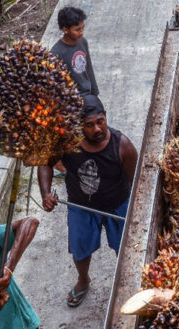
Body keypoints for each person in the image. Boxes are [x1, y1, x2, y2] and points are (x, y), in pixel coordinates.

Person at [37, 95, 138, 307]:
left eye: (100, 121)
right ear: (79, 126)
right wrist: (46, 193)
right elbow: (45, 163)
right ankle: (83, 280)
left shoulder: (123, 146)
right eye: (89, 125)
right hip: (80, 207)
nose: (97, 129)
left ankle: (126, 283)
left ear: (106, 117)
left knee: (126, 249)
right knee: (80, 249)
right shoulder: (67, 143)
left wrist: (134, 212)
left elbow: (137, 183)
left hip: (117, 205)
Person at [50, 6, 99, 97]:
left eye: (82, 28)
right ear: (65, 30)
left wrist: (95, 93)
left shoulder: (82, 42)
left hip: (88, 94)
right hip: (73, 98)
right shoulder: (56, 53)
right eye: (77, 30)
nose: (81, 32)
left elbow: (88, 68)